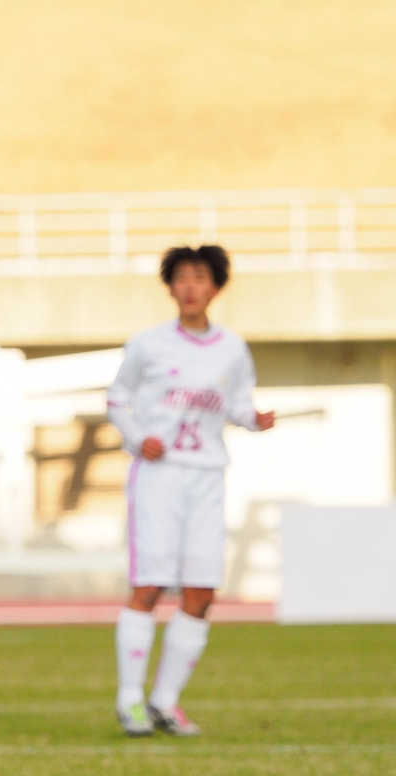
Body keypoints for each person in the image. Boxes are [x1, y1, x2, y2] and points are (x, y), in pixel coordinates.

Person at [106, 246, 275, 737]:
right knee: (150, 585)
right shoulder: (147, 344)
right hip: (159, 476)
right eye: (181, 277)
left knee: (201, 590)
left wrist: (255, 419)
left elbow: (239, 404)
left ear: (215, 287)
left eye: (200, 278)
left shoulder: (232, 348)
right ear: (170, 286)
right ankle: (129, 699)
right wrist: (139, 438)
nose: (190, 286)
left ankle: (164, 701)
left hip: (206, 475)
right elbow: (117, 399)